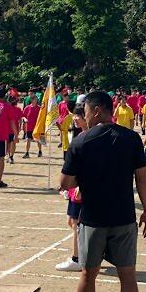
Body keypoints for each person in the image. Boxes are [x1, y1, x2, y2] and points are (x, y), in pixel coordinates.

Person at [60, 91, 146, 292]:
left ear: (97, 110)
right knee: (128, 277)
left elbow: (65, 183)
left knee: (88, 275)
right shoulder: (131, 138)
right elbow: (142, 178)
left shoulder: (81, 141)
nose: (85, 116)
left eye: (86, 111)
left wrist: (83, 178)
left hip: (93, 218)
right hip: (124, 217)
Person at [56, 103, 87, 272]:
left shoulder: (88, 138)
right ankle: (85, 252)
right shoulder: (80, 135)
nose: (75, 118)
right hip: (74, 186)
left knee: (76, 222)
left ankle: (77, 258)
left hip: (80, 187)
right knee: (71, 221)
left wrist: (80, 186)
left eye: (78, 116)